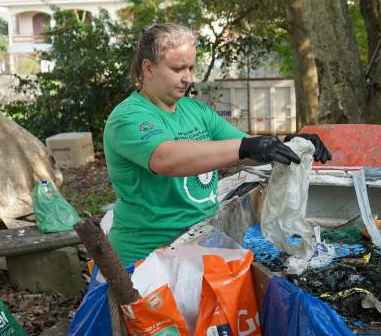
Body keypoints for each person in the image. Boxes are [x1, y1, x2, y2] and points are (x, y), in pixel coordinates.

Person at [104, 23, 331, 266]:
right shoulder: (128, 117)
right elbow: (166, 158)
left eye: (190, 68)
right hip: (145, 259)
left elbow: (244, 148)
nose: (188, 78)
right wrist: (246, 146)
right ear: (148, 68)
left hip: (197, 243)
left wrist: (291, 144)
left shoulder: (195, 109)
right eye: (177, 68)